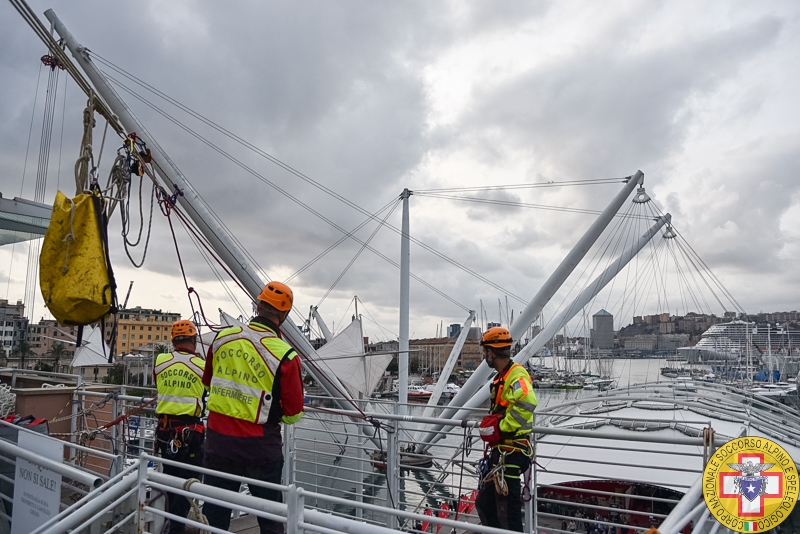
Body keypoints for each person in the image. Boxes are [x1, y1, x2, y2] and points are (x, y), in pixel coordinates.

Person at [201, 281, 304, 534]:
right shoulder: (286, 355)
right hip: (260, 446)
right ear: (285, 315)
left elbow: (208, 381)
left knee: (214, 513)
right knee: (270, 516)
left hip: (218, 442)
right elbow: (294, 413)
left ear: (258, 305)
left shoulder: (222, 338)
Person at [475, 327, 538, 532]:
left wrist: (502, 428)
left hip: (512, 453)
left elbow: (527, 402)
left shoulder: (515, 375)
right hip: (503, 453)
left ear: (491, 352)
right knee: (485, 505)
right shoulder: (504, 376)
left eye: (485, 352)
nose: (485, 356)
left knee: (508, 513)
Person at [154, 320, 207, 534]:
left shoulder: (160, 361)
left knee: (169, 476)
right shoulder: (201, 365)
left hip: (165, 431)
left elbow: (158, 383)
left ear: (173, 340)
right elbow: (207, 389)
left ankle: (169, 523)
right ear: (194, 340)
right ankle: (175, 527)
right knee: (190, 481)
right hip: (189, 433)